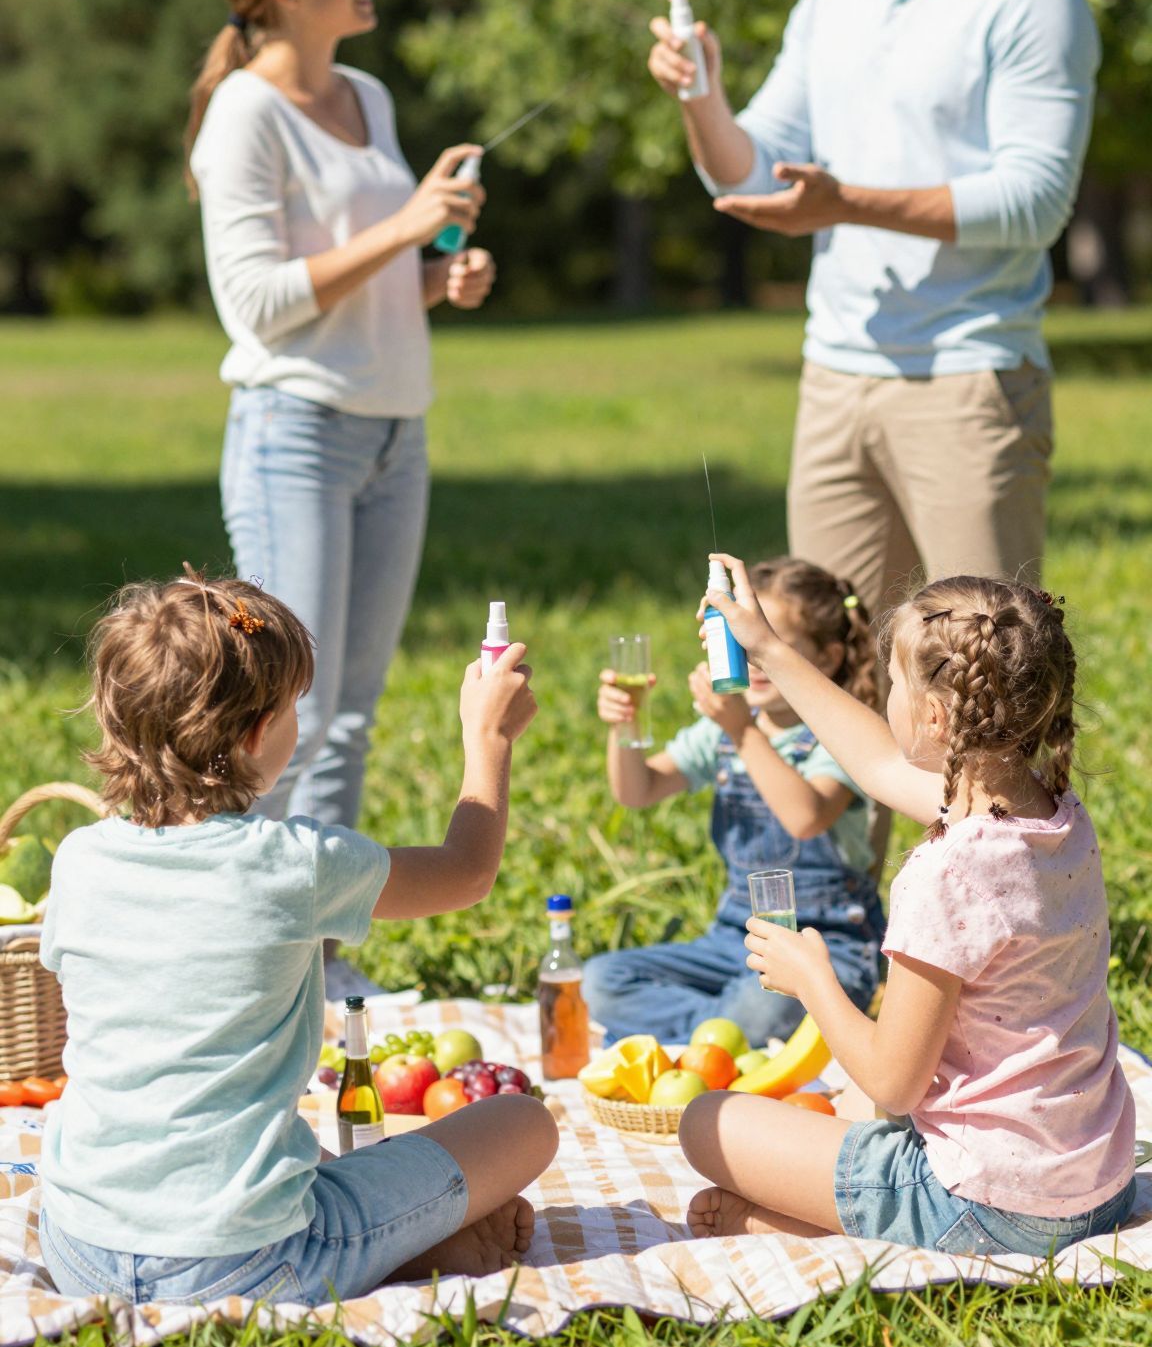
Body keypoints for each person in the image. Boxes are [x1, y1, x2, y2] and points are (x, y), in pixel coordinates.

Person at [647, 0, 1100, 641]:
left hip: (968, 383)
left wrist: (846, 202)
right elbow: (749, 167)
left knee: (984, 679)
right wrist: (701, 95)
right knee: (833, 671)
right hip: (836, 378)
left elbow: (1035, 201)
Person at [37, 571, 558, 1306]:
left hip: (80, 1246)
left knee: (309, 1152)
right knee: (522, 1122)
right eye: (291, 712)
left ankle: (409, 1244)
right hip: (245, 1261)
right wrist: (488, 738)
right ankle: (397, 1251)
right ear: (255, 735)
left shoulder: (80, 859)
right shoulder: (292, 864)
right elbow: (467, 872)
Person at [187, 0, 492, 998]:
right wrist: (404, 227)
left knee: (350, 714)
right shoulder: (244, 116)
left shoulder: (365, 91)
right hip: (294, 433)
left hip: (392, 433)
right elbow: (260, 303)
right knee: (282, 717)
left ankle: (317, 969)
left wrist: (432, 275)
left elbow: (360, 277)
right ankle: (249, 972)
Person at [678, 557, 1136, 1259]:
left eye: (891, 680)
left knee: (708, 1123)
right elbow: (876, 764)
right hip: (1098, 1188)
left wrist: (813, 980)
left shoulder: (943, 873)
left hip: (986, 1205)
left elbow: (894, 1078)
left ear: (933, 716)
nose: (883, 694)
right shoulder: (1055, 816)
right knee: (854, 1117)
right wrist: (765, 644)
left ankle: (813, 1228)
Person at [583, 559, 884, 1048]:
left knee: (759, 1007)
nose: (753, 662)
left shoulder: (836, 732)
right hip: (734, 940)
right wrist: (626, 727)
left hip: (828, 947)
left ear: (827, 658)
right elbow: (637, 791)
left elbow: (806, 818)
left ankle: (718, 1032)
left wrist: (742, 730)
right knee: (599, 981)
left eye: (770, 646)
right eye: (741, 645)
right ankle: (725, 1036)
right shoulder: (723, 731)